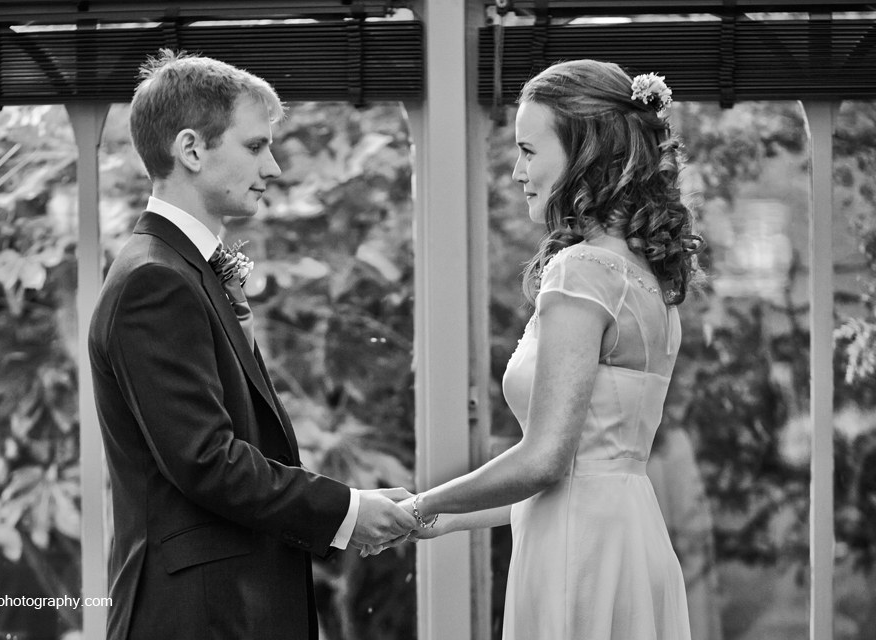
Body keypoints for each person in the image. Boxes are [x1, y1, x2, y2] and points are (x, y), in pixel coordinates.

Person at [88, 50, 416, 640]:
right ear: (191, 150)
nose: (275, 167)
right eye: (256, 145)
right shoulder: (153, 281)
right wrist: (346, 510)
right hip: (195, 616)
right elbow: (207, 461)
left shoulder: (182, 269)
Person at [391, 59, 704, 639]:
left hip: (577, 554)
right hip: (630, 538)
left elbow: (546, 462)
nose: (515, 170)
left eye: (529, 151)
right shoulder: (649, 281)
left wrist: (416, 504)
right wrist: (441, 515)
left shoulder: (581, 271)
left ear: (585, 152)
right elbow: (583, 472)